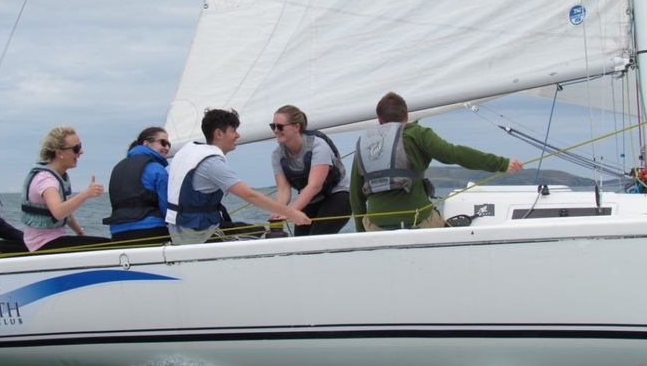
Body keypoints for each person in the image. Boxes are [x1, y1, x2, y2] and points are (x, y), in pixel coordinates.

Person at [350, 92, 523, 231]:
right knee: (440, 220)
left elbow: (355, 196)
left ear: (379, 120)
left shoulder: (364, 143)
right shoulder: (417, 133)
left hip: (377, 226)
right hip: (418, 222)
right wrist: (501, 163)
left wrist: (361, 234)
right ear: (407, 117)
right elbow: (455, 154)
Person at [167, 108, 311, 244]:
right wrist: (292, 213)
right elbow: (249, 195)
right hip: (199, 236)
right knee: (265, 239)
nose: (238, 135)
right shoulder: (212, 163)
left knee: (257, 230)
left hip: (180, 231)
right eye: (233, 130)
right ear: (218, 134)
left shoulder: (188, 152)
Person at [21, 126, 109, 252]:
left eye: (80, 146)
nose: (81, 152)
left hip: (54, 239)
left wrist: (80, 233)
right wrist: (86, 193)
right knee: (108, 246)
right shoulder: (46, 180)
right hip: (42, 244)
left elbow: (67, 213)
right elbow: (58, 212)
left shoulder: (57, 176)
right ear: (59, 153)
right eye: (76, 148)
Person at [269, 105, 351, 236]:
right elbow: (283, 189)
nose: (276, 131)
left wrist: (290, 212)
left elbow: (314, 186)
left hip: (338, 194)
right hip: (312, 199)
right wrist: (280, 211)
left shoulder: (319, 146)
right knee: (301, 241)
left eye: (280, 127)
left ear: (296, 127)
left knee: (317, 236)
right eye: (273, 126)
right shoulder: (277, 154)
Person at [103, 127, 171, 245]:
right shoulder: (156, 168)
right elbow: (166, 206)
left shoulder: (118, 167)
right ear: (146, 143)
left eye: (168, 144)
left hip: (118, 233)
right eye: (163, 143)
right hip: (150, 231)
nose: (167, 148)